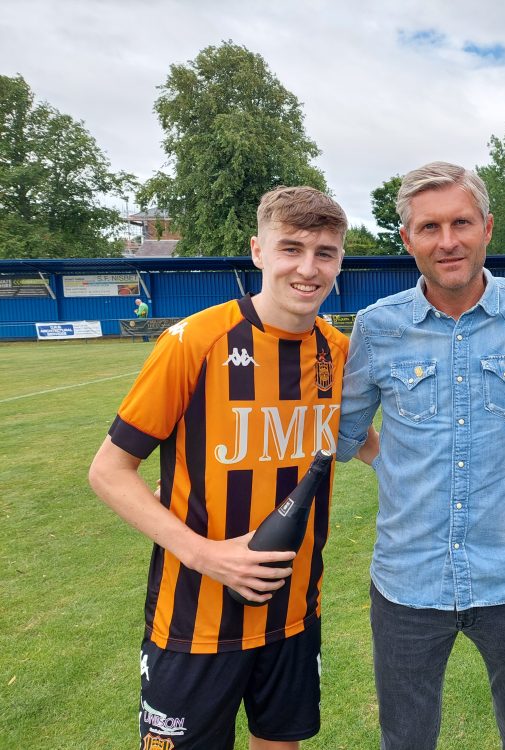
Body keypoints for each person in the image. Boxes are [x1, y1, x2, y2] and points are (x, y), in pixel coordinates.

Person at [89, 186, 367, 750]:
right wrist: (207, 554)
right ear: (258, 251)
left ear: (340, 261)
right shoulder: (194, 342)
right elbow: (109, 471)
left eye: (325, 253)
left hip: (293, 613)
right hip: (195, 619)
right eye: (291, 248)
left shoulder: (337, 353)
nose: (308, 268)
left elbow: (364, 439)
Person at [336, 161, 505, 750]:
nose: (447, 241)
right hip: (407, 582)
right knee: (405, 739)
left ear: (487, 226)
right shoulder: (378, 328)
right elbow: (345, 432)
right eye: (429, 227)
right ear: (407, 239)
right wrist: (393, 462)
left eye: (461, 222)